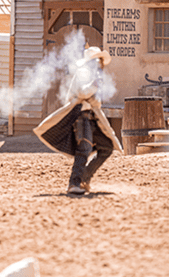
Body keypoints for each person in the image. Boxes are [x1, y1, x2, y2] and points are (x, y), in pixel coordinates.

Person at [33, 46, 123, 195]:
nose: (100, 63)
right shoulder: (84, 73)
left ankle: (84, 178)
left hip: (91, 117)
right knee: (84, 148)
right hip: (81, 116)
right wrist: (95, 85)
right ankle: (74, 183)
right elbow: (82, 92)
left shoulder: (92, 74)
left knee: (106, 147)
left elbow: (93, 99)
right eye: (98, 59)